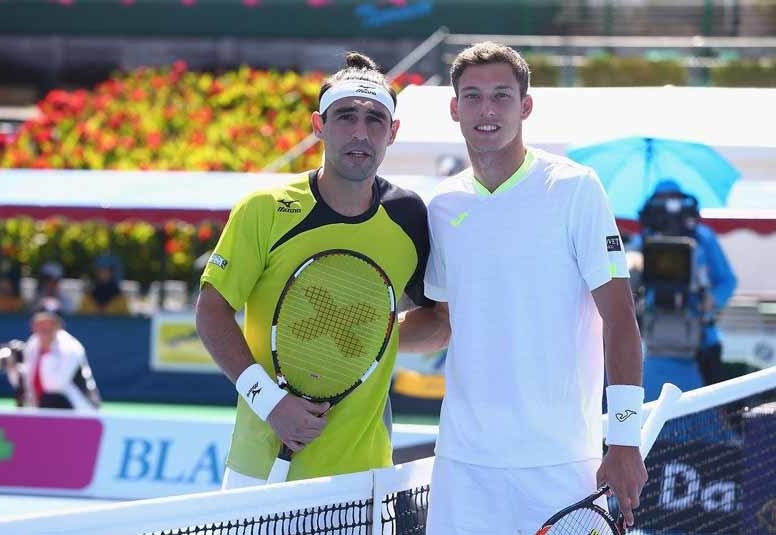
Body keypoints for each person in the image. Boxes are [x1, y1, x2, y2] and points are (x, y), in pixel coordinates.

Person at [398, 42, 647, 533]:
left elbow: (620, 319)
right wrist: (369, 336)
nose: (486, 110)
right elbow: (443, 323)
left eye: (501, 96)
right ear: (455, 109)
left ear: (525, 106)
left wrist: (624, 439)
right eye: (472, 97)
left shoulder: (576, 188)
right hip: (463, 468)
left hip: (561, 465)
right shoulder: (443, 205)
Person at [195, 52, 432, 488]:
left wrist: (361, 335)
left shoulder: (410, 216)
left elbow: (440, 321)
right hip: (258, 470)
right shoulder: (264, 208)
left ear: (393, 132)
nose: (360, 133)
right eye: (345, 117)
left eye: (375, 120)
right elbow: (211, 311)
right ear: (318, 125)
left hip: (366, 476)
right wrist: (270, 403)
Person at [631, 180, 738, 401]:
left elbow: (728, 280)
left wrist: (712, 300)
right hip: (655, 338)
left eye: (674, 198)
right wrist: (632, 263)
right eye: (663, 199)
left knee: (706, 407)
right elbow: (624, 276)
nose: (669, 205)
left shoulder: (703, 238)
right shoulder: (642, 241)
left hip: (701, 342)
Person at [7, 305, 101, 410]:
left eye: (51, 323)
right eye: (40, 323)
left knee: (51, 398)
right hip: (45, 408)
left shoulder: (71, 347)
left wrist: (46, 352)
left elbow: (55, 385)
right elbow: (26, 384)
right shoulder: (33, 344)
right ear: (33, 326)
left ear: (59, 326)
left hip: (80, 410)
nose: (45, 327)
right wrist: (13, 366)